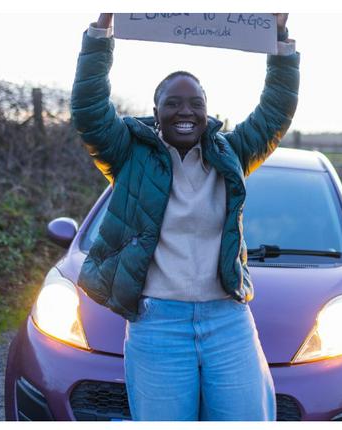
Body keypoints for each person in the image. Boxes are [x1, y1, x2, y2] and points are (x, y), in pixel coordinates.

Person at [70, 13, 299, 421]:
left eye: (195, 102)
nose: (185, 111)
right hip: (157, 324)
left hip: (227, 320)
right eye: (172, 102)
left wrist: (279, 42)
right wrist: (100, 34)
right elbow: (89, 111)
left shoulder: (231, 154)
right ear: (155, 111)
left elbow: (275, 111)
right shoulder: (129, 156)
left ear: (208, 111)